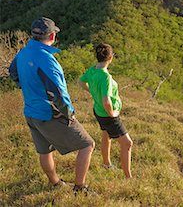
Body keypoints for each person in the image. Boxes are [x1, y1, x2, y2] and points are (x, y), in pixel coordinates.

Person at [9, 17, 95, 195]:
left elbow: (12, 72)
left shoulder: (23, 53)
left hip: (31, 112)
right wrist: (69, 114)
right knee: (87, 144)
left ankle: (55, 182)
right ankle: (80, 188)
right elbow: (58, 93)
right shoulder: (48, 60)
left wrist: (26, 86)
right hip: (49, 113)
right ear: (52, 35)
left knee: (44, 150)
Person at [78, 43, 133, 179]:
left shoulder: (92, 70)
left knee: (106, 135)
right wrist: (112, 113)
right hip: (107, 115)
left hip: (98, 111)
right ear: (110, 58)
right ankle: (128, 177)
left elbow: (80, 81)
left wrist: (91, 91)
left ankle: (106, 163)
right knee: (127, 143)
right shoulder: (105, 77)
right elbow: (106, 101)